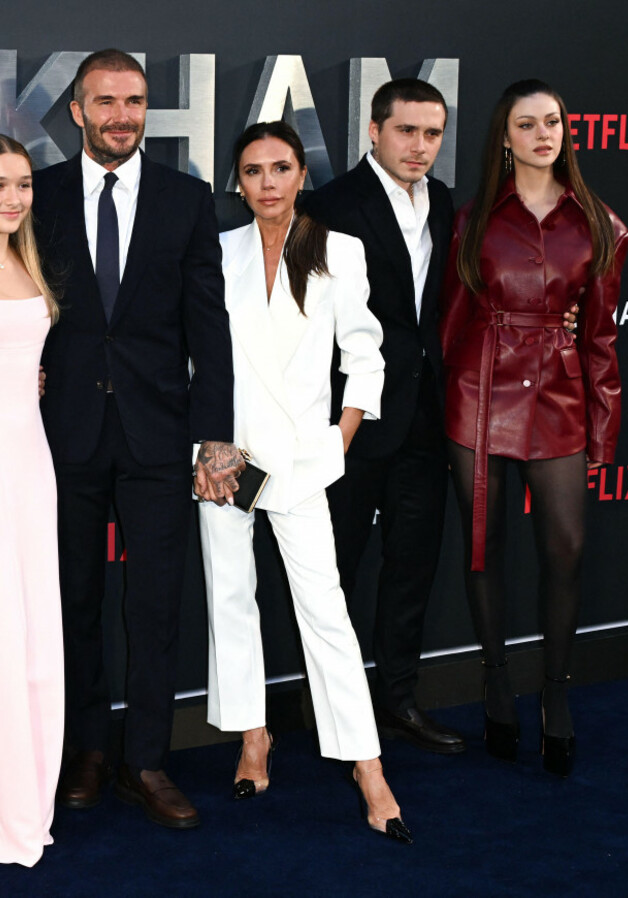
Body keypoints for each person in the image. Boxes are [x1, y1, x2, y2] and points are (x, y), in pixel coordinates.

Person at [33, 49, 242, 828]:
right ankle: (86, 748)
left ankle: (146, 760)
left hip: (159, 438)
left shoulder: (187, 200)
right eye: (106, 100)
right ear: (77, 111)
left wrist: (214, 437)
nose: (123, 114)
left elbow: (208, 329)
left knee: (155, 606)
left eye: (136, 100)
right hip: (63, 436)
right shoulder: (39, 195)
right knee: (75, 600)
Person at [196, 121, 412, 843]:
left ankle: (367, 763)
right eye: (253, 171)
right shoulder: (217, 251)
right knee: (231, 597)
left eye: (280, 168)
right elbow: (198, 356)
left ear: (300, 174)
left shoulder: (335, 249)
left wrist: (337, 440)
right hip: (227, 459)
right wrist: (208, 447)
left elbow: (366, 354)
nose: (267, 183)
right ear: (238, 180)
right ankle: (253, 736)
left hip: (298, 459)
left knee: (324, 609)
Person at [439, 79, 628, 776]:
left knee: (567, 551)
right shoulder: (475, 220)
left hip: (559, 394)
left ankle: (555, 693)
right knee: (483, 548)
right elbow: (453, 321)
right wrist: (447, 410)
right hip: (478, 391)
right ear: (506, 137)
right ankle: (495, 683)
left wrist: (603, 435)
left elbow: (602, 339)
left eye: (552, 122)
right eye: (528, 124)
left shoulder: (602, 226)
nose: (544, 134)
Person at [302, 79, 467, 754]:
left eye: (432, 134)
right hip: (351, 420)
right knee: (330, 572)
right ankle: (333, 713)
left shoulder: (448, 203)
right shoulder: (330, 204)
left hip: (427, 418)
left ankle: (397, 701)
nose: (421, 147)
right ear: (374, 130)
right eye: (407, 131)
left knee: (412, 568)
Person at [0, 134, 63, 866]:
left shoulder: (24, 257)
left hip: (29, 462)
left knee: (27, 626)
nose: (13, 199)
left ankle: (22, 790)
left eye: (22, 184)